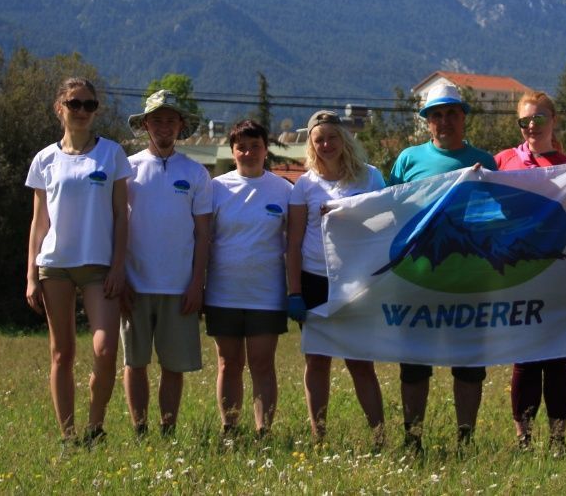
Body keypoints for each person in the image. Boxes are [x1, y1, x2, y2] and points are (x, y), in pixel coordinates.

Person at [388, 82, 499, 451]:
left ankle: (465, 441)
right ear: (427, 121)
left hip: (468, 280)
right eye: (437, 114)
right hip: (416, 279)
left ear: (463, 118)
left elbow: (493, 221)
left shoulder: (485, 162)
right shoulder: (407, 160)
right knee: (414, 365)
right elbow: (388, 211)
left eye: (452, 113)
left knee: (468, 365)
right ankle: (412, 440)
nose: (445, 120)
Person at [25, 77, 131, 447]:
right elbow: (39, 222)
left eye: (89, 104)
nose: (82, 111)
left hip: (99, 266)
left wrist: (118, 266)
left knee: (105, 349)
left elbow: (121, 216)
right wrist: (31, 276)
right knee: (62, 353)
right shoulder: (45, 159)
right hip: (55, 264)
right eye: (75, 103)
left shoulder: (112, 154)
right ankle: (68, 436)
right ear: (60, 108)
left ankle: (95, 427)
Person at [287, 110, 387, 447]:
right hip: (314, 279)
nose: (326, 145)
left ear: (344, 139)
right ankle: (319, 437)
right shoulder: (305, 185)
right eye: (319, 140)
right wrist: (294, 292)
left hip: (356, 280)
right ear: (311, 144)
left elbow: (386, 223)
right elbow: (293, 242)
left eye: (332, 137)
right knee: (317, 361)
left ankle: (379, 436)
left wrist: (350, 215)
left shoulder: (370, 177)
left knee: (360, 362)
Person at [120, 90, 213, 438]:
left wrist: (197, 284)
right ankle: (140, 429)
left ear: (180, 125)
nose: (163, 126)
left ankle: (167, 431)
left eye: (170, 120)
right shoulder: (126, 169)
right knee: (135, 362)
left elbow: (203, 234)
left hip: (179, 287)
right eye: (156, 120)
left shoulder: (196, 172)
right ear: (145, 125)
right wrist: (119, 277)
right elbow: (115, 226)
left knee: (174, 365)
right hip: (134, 284)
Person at [494, 90, 566, 452]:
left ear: (553, 121)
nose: (532, 126)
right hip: (518, 275)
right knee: (525, 360)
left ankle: (558, 440)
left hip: (560, 273)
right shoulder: (502, 161)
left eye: (539, 118)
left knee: (558, 359)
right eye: (525, 120)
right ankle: (523, 439)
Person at [205, 119, 291, 439]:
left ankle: (263, 432)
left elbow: (296, 241)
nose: (249, 152)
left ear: (266, 149)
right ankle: (230, 429)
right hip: (222, 292)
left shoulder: (284, 190)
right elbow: (202, 239)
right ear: (232, 152)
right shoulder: (215, 189)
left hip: (266, 294)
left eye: (255, 146)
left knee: (262, 364)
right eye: (241, 147)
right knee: (228, 364)